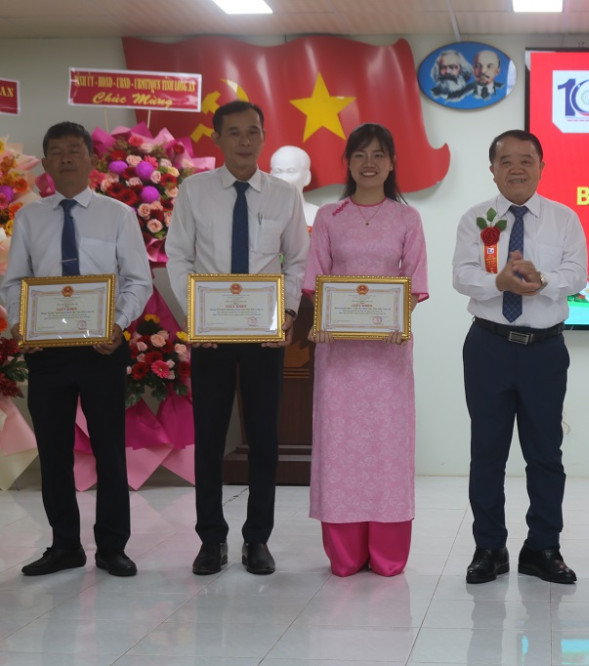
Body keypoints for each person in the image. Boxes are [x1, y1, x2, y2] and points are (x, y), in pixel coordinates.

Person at [1, 121, 153, 577]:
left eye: (74, 149)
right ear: (46, 162)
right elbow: (14, 282)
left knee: (109, 450)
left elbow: (138, 280)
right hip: (47, 351)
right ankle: (65, 545)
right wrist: (22, 324)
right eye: (56, 151)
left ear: (91, 158)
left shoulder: (117, 215)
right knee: (54, 453)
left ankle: (112, 547)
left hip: (103, 348)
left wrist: (118, 325)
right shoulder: (29, 218)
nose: (66, 157)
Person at [166, 100, 309, 576]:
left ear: (263, 136)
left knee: (264, 439)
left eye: (253, 131)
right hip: (211, 336)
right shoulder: (195, 191)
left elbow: (297, 259)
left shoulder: (283, 196)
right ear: (218, 139)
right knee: (209, 438)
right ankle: (211, 539)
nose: (245, 141)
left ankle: (257, 539)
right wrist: (195, 314)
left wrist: (288, 311)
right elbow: (178, 256)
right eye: (234, 132)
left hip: (264, 336)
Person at [453, 129, 588, 585]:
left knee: (546, 453)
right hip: (488, 346)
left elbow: (577, 274)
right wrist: (499, 283)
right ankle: (489, 548)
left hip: (544, 351)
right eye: (506, 161)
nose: (516, 168)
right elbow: (461, 275)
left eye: (526, 160)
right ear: (492, 169)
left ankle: (543, 548)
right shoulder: (476, 218)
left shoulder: (564, 219)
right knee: (487, 452)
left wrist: (542, 279)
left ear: (541, 167)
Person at [303, 123, 428, 577]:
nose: (369, 163)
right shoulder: (329, 217)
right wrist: (322, 322)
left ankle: (388, 550)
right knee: (339, 449)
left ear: (392, 163)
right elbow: (316, 278)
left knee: (386, 449)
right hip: (339, 356)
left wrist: (400, 318)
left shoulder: (407, 219)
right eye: (360, 155)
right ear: (348, 163)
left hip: (388, 356)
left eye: (378, 155)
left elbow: (414, 280)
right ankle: (346, 550)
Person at [269, 145, 320, 227]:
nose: (283, 179)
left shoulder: (319, 215)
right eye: (278, 172)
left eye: (291, 171)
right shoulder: (259, 214)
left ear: (307, 177)